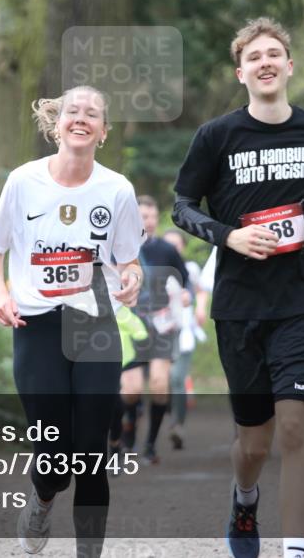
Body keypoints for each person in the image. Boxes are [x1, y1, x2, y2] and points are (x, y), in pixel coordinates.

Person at [172, 17, 304, 558]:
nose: (265, 62)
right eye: (254, 57)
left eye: (274, 54)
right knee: (253, 443)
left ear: (289, 66)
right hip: (241, 305)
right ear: (241, 73)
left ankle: (295, 550)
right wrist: (229, 236)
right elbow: (182, 206)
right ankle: (244, 499)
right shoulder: (216, 136)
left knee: (294, 427)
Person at [0, 86, 145, 557]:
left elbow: (129, 260)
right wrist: (1, 295)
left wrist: (132, 279)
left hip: (95, 324)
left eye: (92, 114)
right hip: (37, 327)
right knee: (54, 457)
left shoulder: (117, 189)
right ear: (58, 125)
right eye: (73, 111)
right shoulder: (23, 181)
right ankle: (42, 497)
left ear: (103, 131)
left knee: (91, 452)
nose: (81, 119)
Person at [117, 195, 191, 465]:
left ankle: (150, 445)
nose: (148, 222)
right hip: (130, 324)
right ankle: (127, 437)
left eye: (152, 217)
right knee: (131, 389)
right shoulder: (119, 248)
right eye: (142, 217)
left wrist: (186, 293)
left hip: (161, 325)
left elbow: (185, 280)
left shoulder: (166, 249)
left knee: (159, 385)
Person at [162, 228, 209, 450]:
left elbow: (200, 290)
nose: (172, 249)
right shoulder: (152, 269)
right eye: (168, 245)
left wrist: (199, 307)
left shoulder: (190, 269)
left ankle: (177, 425)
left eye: (176, 245)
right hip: (157, 334)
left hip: (184, 333)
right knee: (161, 381)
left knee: (177, 377)